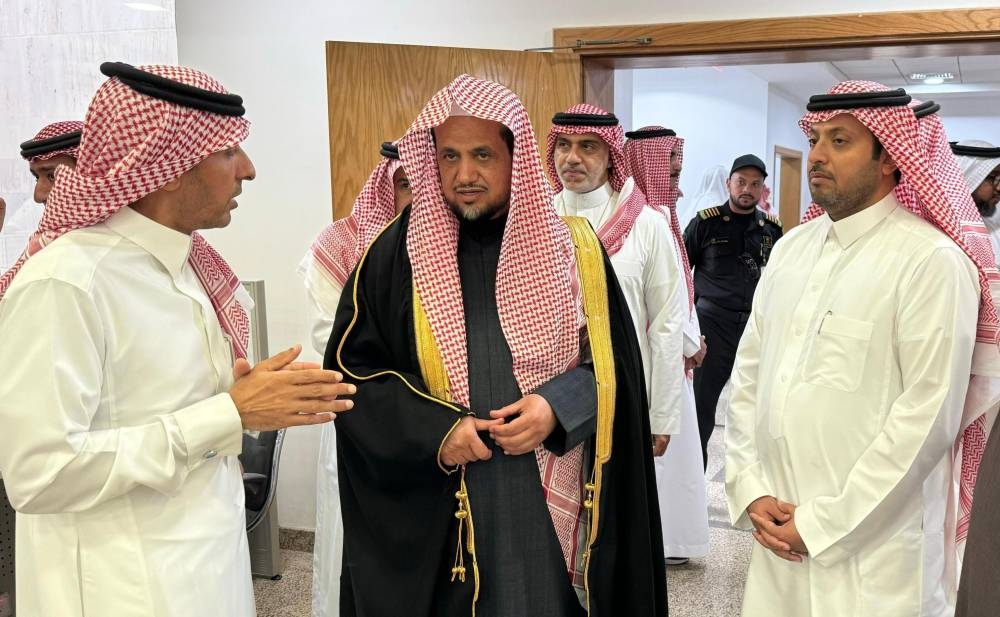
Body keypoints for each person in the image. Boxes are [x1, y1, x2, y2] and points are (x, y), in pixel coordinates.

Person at [0, 61, 354, 617]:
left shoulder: (189, 267)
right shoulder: (66, 282)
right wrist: (227, 413)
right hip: (123, 590)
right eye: (228, 151)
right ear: (165, 164)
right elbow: (40, 474)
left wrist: (245, 401)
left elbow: (171, 410)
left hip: (209, 566)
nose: (248, 170)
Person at [328, 75, 666, 617]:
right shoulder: (392, 259)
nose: (465, 174)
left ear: (516, 157)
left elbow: (614, 367)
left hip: (548, 498)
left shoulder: (575, 251)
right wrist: (438, 431)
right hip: (442, 506)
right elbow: (353, 377)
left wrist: (557, 407)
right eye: (450, 156)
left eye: (482, 155)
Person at [726, 80, 998, 617]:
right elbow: (749, 377)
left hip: (876, 553)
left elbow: (925, 420)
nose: (817, 156)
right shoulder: (791, 249)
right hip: (777, 531)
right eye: (815, 139)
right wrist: (750, 488)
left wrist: (820, 523)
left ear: (890, 157)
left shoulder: (931, 262)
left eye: (840, 141)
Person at [298, 140, 409, 617]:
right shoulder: (339, 246)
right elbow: (335, 344)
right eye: (405, 183)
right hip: (359, 417)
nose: (417, 195)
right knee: (357, 554)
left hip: (436, 425)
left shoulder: (456, 245)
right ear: (386, 185)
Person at [547, 106, 685, 463]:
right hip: (548, 402)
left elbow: (667, 324)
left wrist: (661, 415)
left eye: (588, 146)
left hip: (623, 391)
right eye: (563, 145)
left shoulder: (646, 225)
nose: (572, 158)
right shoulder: (537, 221)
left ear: (611, 155)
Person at [624, 125, 710, 564]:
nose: (677, 186)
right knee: (664, 454)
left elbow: (682, 290)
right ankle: (664, 542)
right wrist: (691, 342)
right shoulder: (644, 221)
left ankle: (675, 541)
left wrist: (693, 339)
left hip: (675, 357)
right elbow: (663, 302)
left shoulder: (661, 216)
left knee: (678, 455)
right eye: (671, 175)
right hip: (657, 359)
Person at [683, 153, 782, 467]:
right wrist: (689, 329)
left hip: (753, 328)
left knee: (756, 407)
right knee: (702, 408)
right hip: (712, 326)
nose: (747, 189)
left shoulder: (771, 229)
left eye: (755, 184)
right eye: (741, 182)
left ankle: (752, 474)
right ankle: (695, 475)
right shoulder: (706, 223)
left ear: (762, 188)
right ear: (729, 183)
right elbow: (680, 275)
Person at [952, 140, 1000, 267]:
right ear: (965, 177)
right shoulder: (937, 234)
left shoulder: (993, 229)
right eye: (992, 177)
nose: (999, 188)